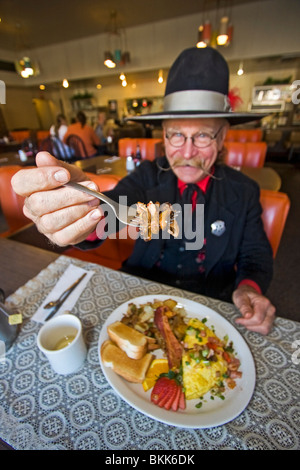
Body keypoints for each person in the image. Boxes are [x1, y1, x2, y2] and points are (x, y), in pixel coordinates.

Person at [11, 47, 275, 335]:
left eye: (202, 135)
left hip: (210, 307)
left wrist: (249, 289)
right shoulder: (147, 176)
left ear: (222, 137)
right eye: (176, 134)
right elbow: (110, 211)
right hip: (141, 297)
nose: (187, 152)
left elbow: (255, 256)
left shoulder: (244, 191)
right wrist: (81, 212)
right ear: (163, 134)